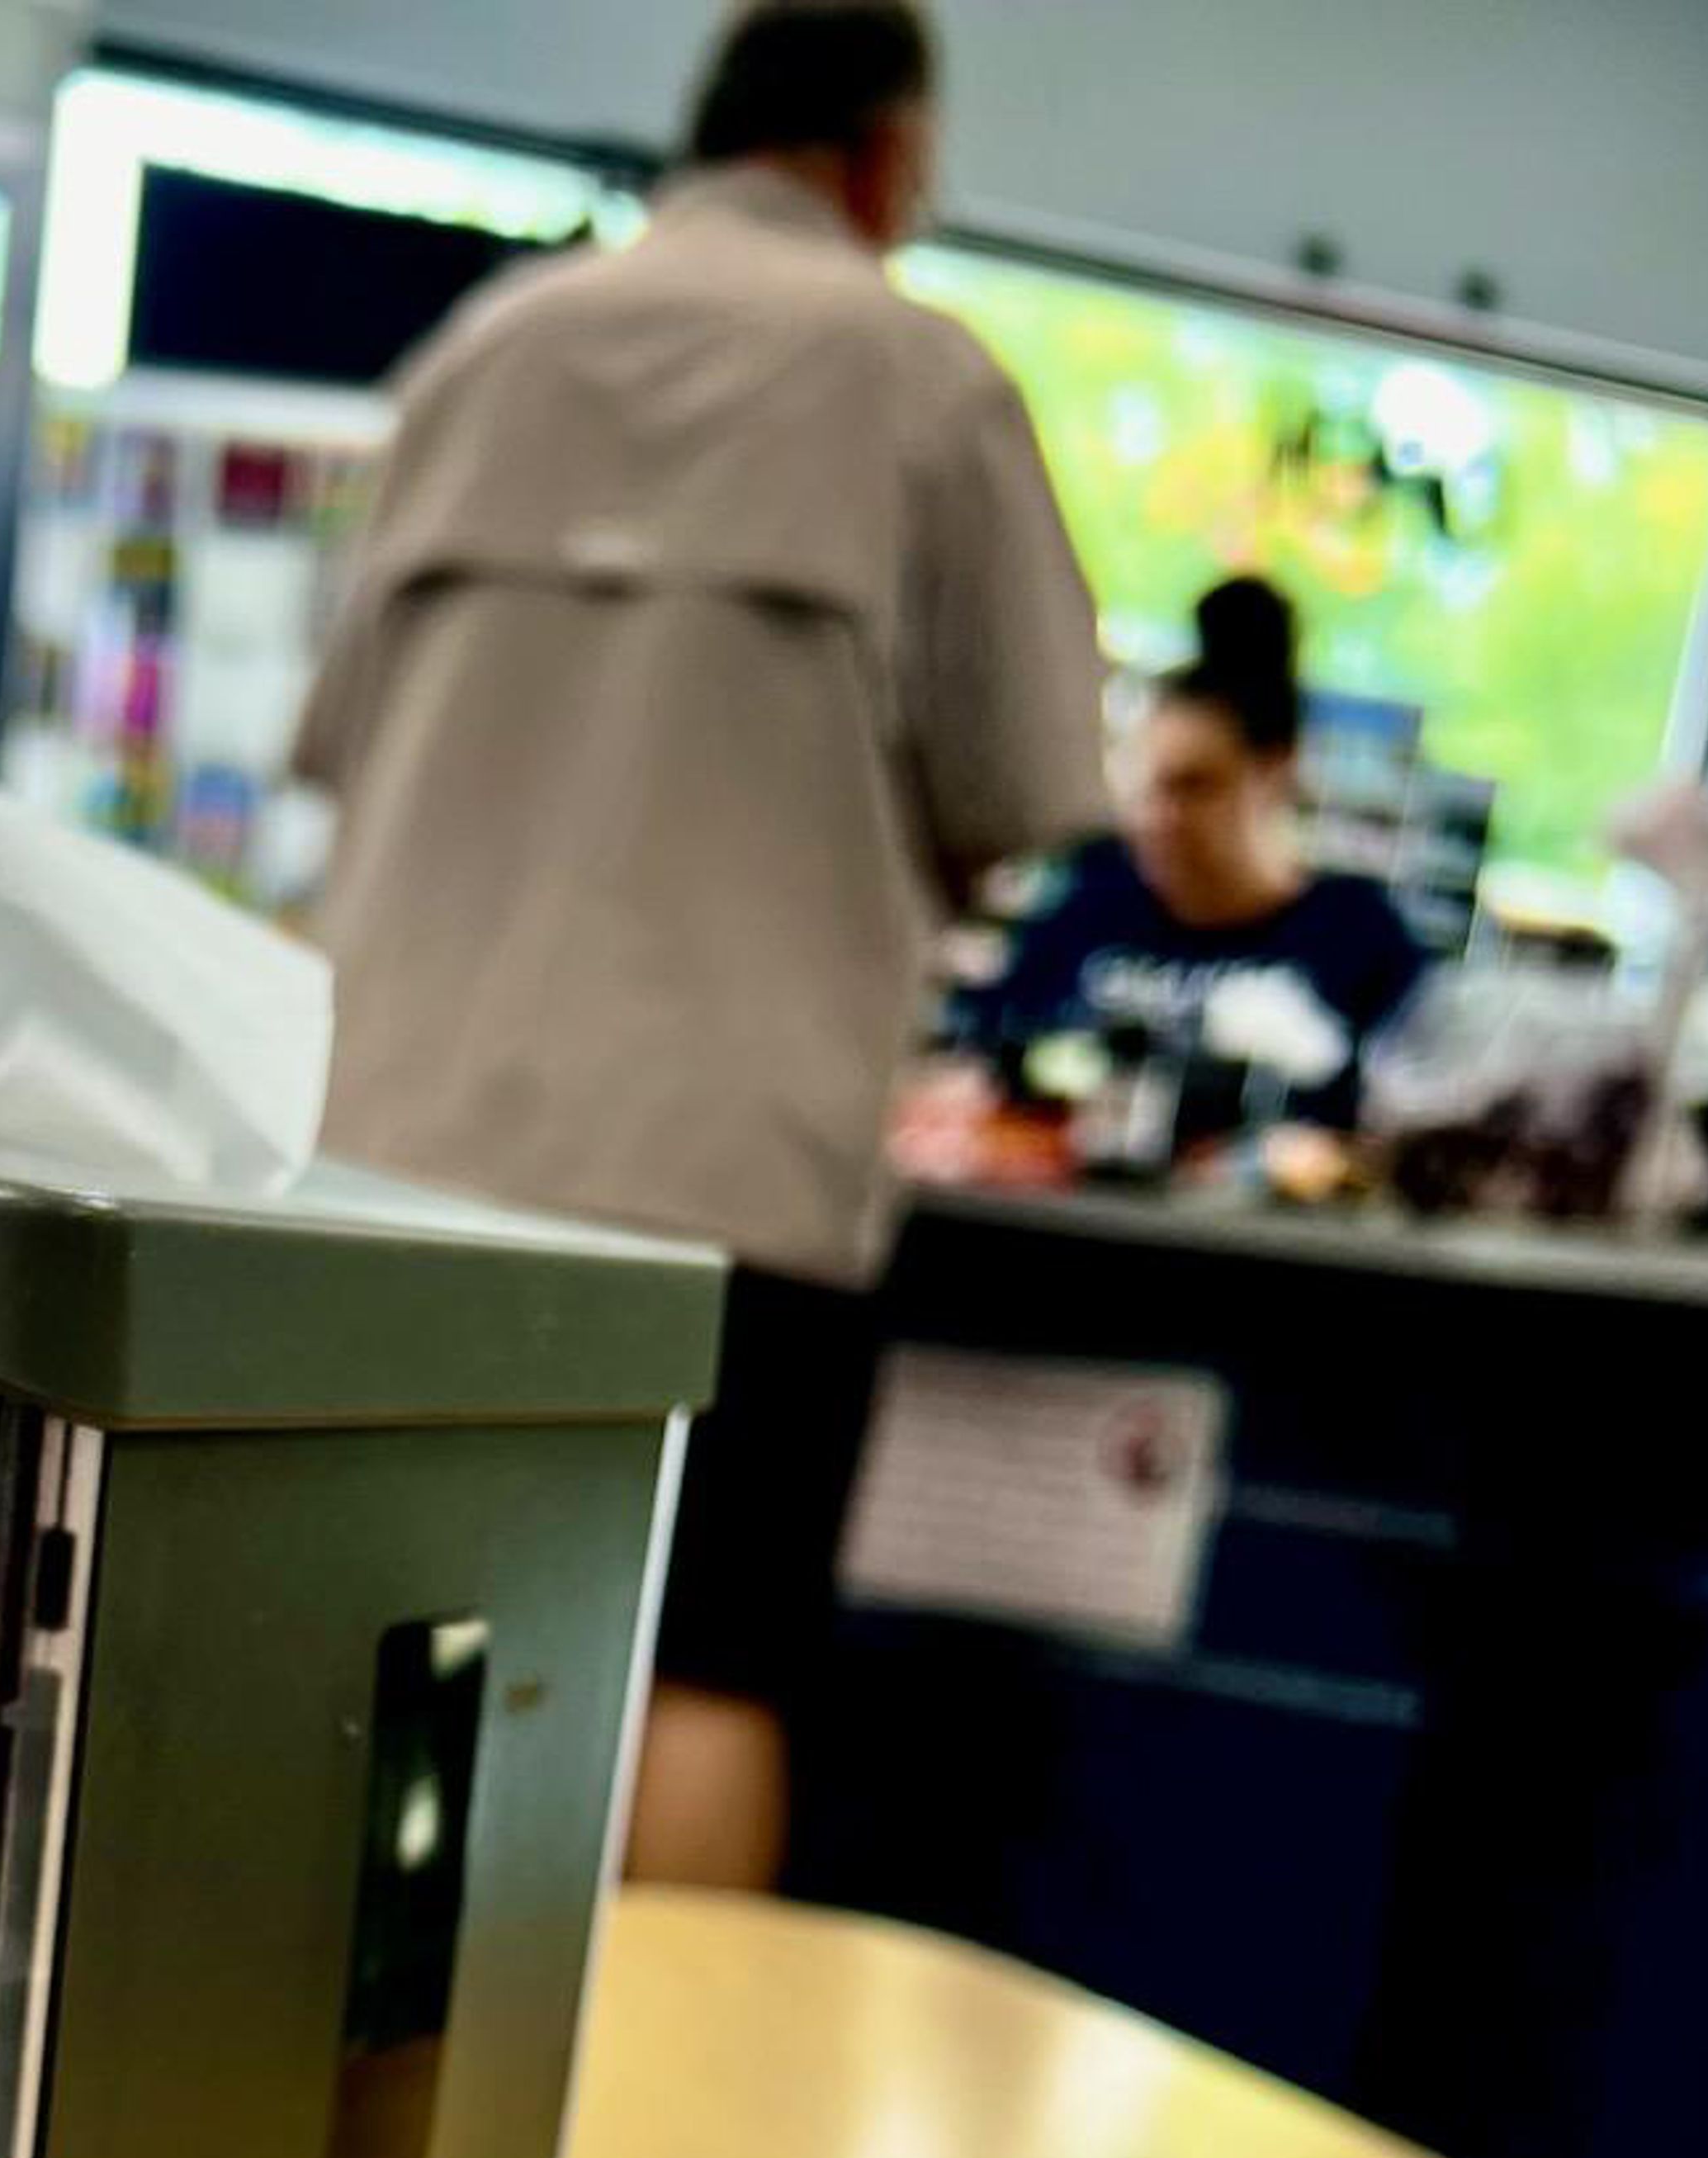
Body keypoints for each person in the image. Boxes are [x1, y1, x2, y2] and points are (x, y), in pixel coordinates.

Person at [296, 0, 1105, 1891]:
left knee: (400, 1653)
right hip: (720, 1173)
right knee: (701, 1675)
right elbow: (1014, 787)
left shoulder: (484, 347)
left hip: (395, 1154)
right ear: (888, 155)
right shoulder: (923, 383)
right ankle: (660, 2150)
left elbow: (340, 739)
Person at [983, 578, 1429, 1130]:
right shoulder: (1091, 903)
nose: (1160, 818)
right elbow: (990, 1055)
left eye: (1195, 787)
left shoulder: (1358, 937)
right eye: (1146, 790)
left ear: (1275, 770)